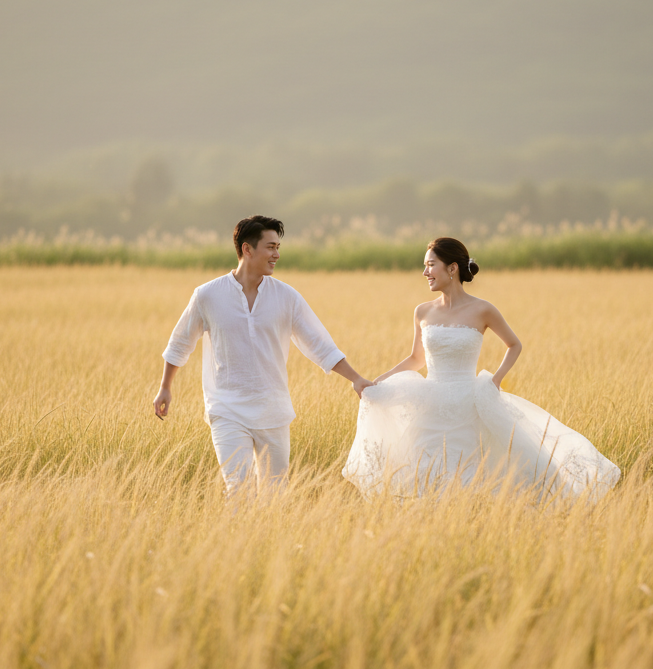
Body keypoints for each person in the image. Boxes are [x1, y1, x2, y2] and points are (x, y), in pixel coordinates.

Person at [342, 237, 621, 501]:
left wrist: (495, 381)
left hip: (470, 400)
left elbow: (514, 345)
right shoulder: (422, 312)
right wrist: (377, 383)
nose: (425, 272)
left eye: (430, 265)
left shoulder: (482, 310)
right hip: (431, 404)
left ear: (452, 268)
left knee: (480, 469)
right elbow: (416, 359)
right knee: (424, 471)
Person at [154, 215, 374, 493]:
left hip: (273, 410)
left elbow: (320, 344)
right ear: (247, 249)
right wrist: (165, 388)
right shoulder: (207, 295)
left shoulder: (287, 297)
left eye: (278, 247)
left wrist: (356, 378)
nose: (277, 254)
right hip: (227, 409)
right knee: (239, 488)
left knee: (275, 493)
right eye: (270, 247)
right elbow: (179, 343)